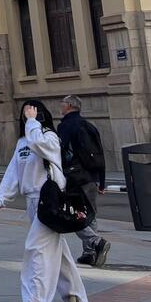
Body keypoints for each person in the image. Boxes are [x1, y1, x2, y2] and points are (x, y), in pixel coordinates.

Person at [0, 101, 90, 302]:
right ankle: (77, 300)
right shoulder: (22, 142)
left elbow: (39, 145)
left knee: (35, 248)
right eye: (25, 112)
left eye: (32, 111)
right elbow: (13, 172)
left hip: (49, 201)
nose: (27, 115)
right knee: (59, 254)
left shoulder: (48, 137)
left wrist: (33, 123)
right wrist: (1, 198)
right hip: (32, 201)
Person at [58, 96, 110, 268]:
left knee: (72, 214)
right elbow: (100, 153)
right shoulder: (89, 126)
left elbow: (59, 152)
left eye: (63, 105)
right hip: (92, 177)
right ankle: (89, 253)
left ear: (70, 106)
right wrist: (101, 181)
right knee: (91, 214)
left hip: (74, 177)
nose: (61, 108)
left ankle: (96, 242)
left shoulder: (65, 126)